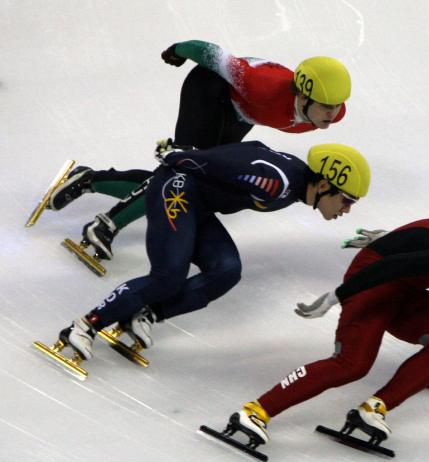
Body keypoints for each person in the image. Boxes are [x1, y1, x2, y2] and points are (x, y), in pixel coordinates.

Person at [220, 219, 429, 451]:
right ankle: (255, 411)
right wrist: (338, 295)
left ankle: (373, 409)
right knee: (352, 364)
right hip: (375, 278)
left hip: (404, 286)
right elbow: (394, 265)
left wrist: (392, 238)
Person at [52, 141, 370, 363]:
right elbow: (232, 163)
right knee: (168, 276)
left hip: (197, 204)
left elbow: (254, 148)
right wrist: (179, 158)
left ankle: (145, 314)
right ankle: (85, 325)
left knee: (226, 270)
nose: (346, 210)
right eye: (347, 200)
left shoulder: (294, 181)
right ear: (326, 184)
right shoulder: (278, 182)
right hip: (177, 190)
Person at [46, 39, 351, 262]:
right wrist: (177, 50)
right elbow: (212, 53)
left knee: (198, 181)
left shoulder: (331, 112)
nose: (332, 114)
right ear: (304, 95)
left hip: (240, 113)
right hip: (209, 88)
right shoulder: (262, 84)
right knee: (181, 172)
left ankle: (89, 180)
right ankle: (107, 223)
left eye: (336, 107)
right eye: (326, 107)